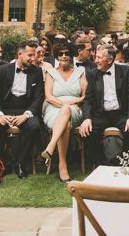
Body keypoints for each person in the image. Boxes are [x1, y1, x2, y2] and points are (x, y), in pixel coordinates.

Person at [0, 39, 44, 178]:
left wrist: (26, 115)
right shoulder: (4, 70)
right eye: (30, 55)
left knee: (34, 126)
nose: (33, 58)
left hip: (25, 110)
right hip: (6, 110)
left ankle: (20, 162)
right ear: (19, 54)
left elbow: (38, 98)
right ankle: (4, 160)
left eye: (34, 55)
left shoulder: (37, 71)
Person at [79, 46, 129, 165]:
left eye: (99, 57)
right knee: (88, 131)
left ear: (110, 60)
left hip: (121, 113)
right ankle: (100, 163)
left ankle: (124, 161)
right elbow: (88, 100)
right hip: (101, 114)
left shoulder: (126, 71)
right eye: (96, 57)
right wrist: (87, 118)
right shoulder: (92, 74)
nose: (95, 60)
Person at [41, 42, 87, 182]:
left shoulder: (80, 72)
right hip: (53, 108)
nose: (64, 56)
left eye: (67, 53)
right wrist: (63, 104)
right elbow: (48, 96)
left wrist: (72, 103)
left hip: (75, 109)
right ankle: (62, 165)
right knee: (65, 125)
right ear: (56, 56)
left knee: (66, 111)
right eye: (60, 54)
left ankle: (51, 145)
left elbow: (85, 95)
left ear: (71, 55)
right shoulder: (51, 73)